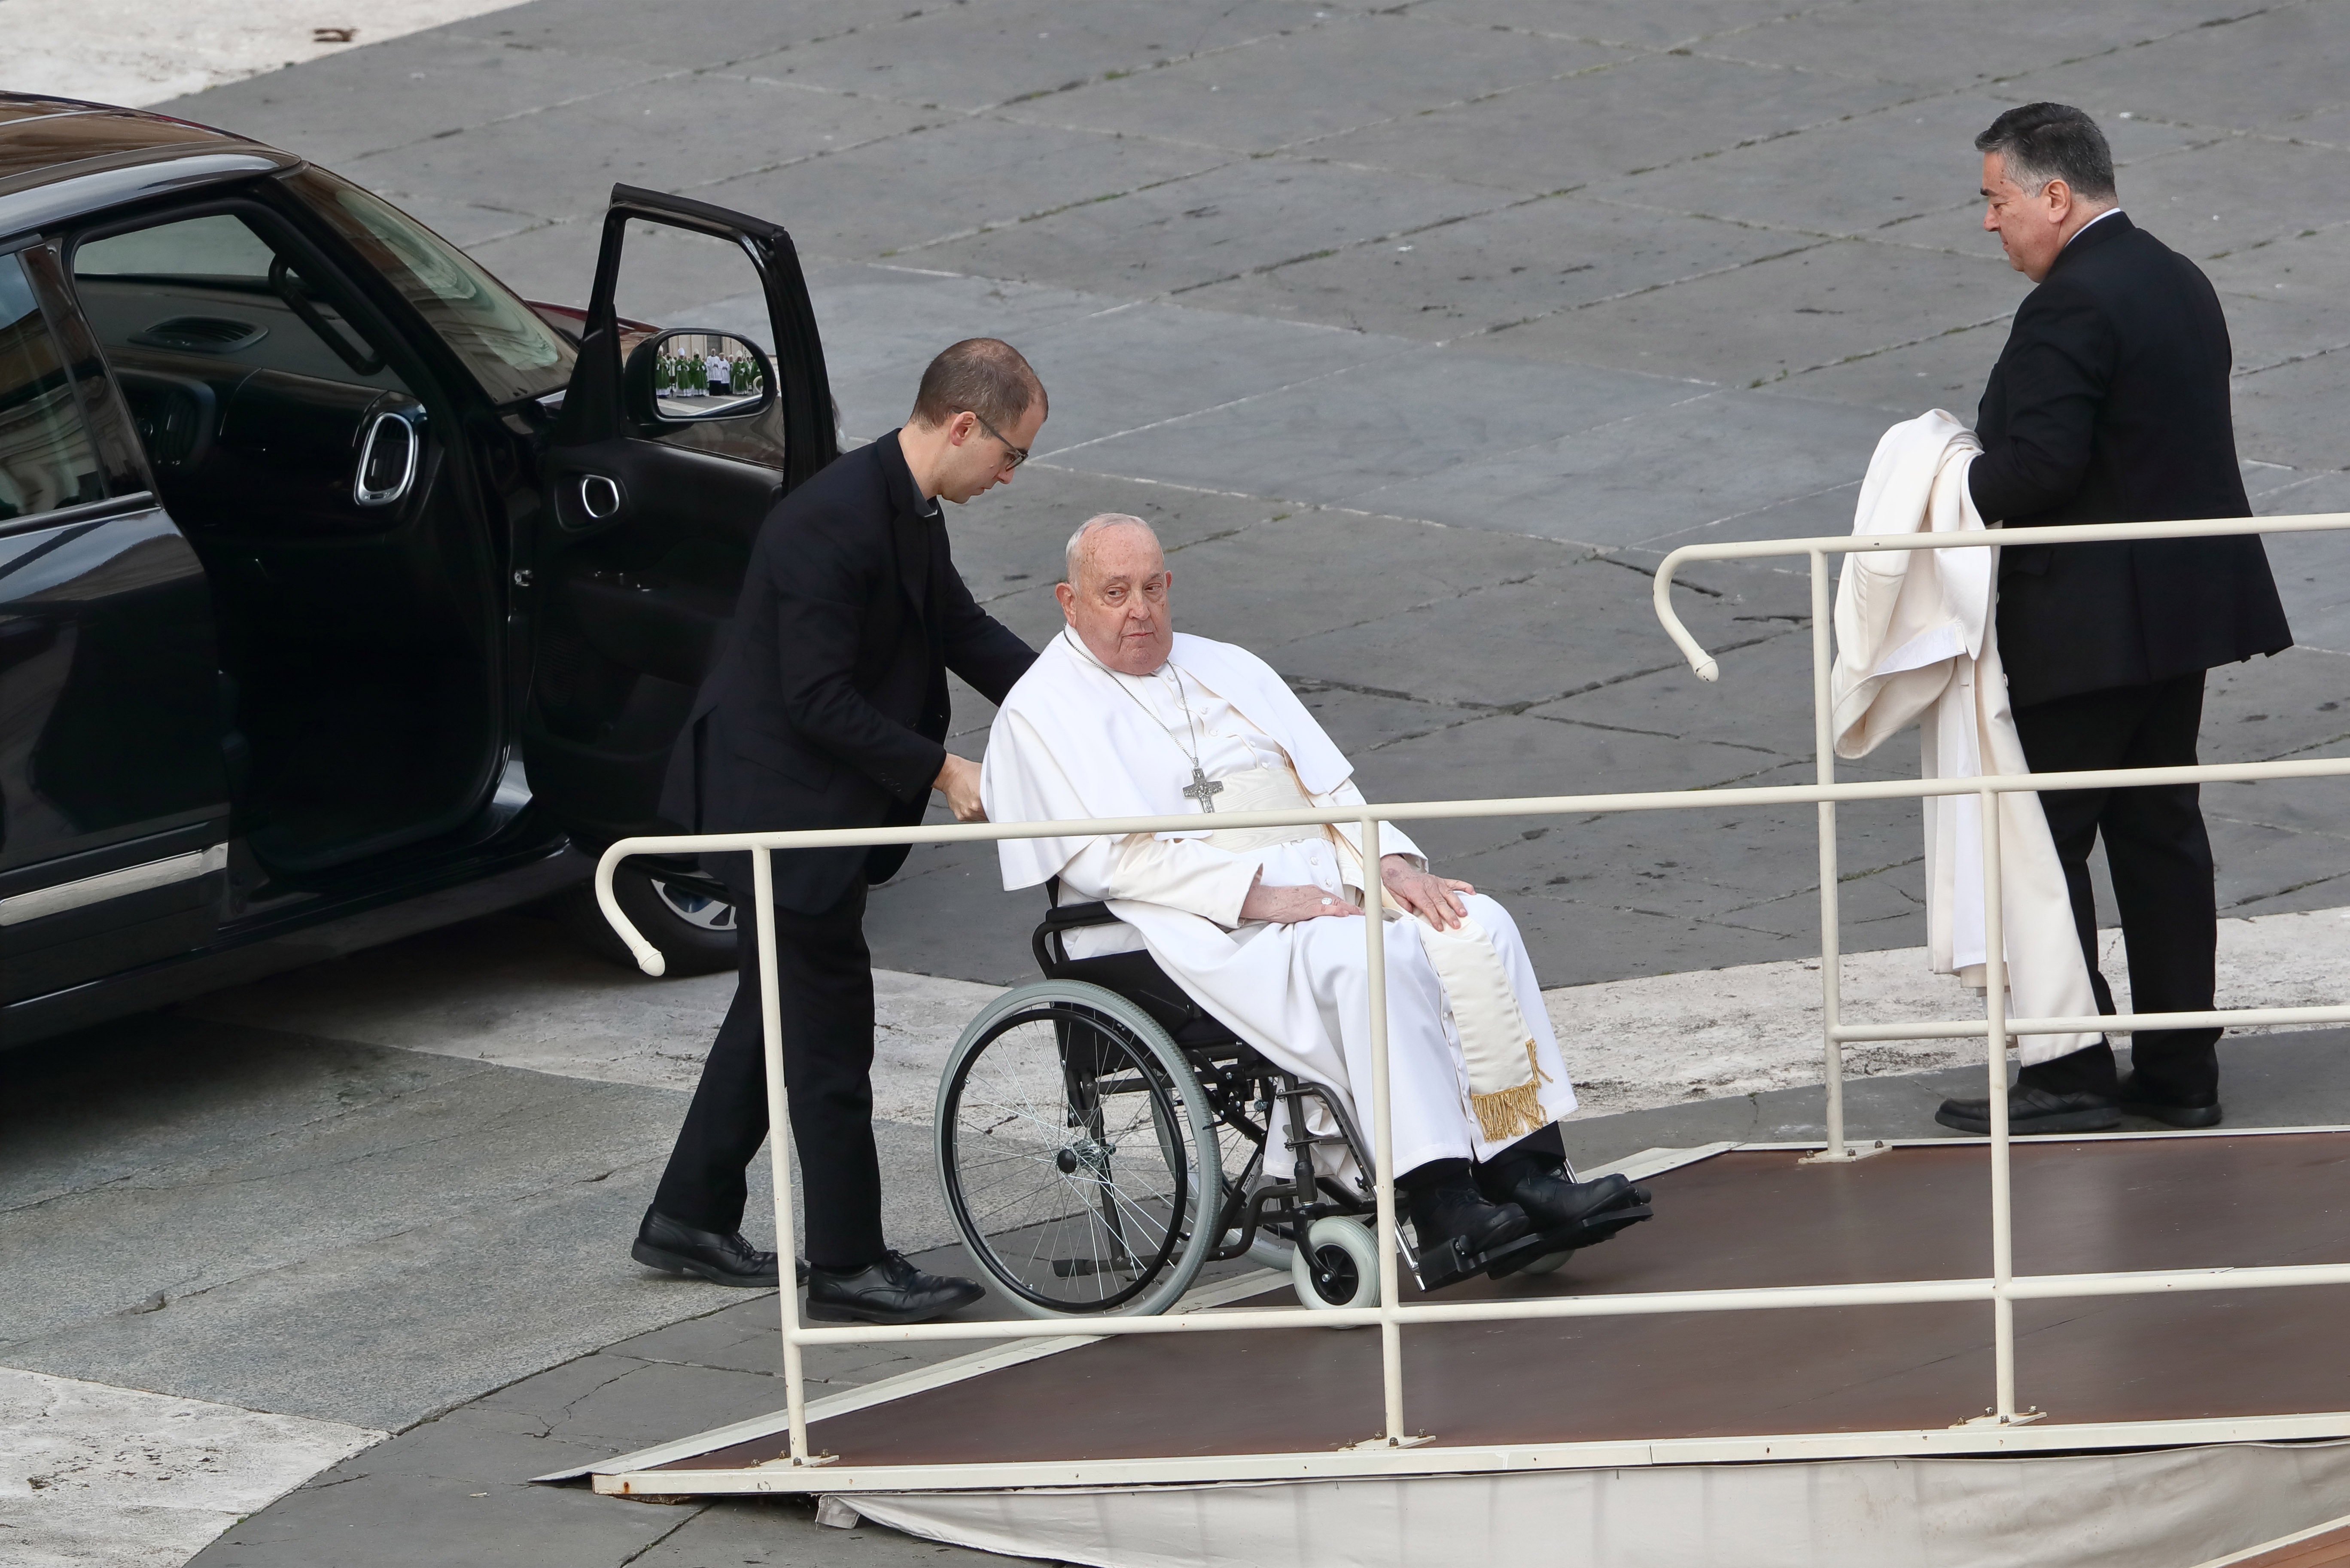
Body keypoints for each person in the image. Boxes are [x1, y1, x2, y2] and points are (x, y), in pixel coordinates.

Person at [980, 514, 1646, 1273]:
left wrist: (1391, 866)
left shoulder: (1229, 666)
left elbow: (1335, 793)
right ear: (1070, 602)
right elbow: (1111, 862)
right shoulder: (1042, 708)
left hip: (1316, 890)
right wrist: (1253, 895)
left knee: (1473, 921)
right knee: (1367, 960)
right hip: (1178, 924)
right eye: (1116, 593)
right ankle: (1439, 1200)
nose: (1142, 610)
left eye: (1154, 588)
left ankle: (1528, 1172)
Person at [637, 339, 1045, 1324]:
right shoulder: (832, 523)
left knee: (770, 1016)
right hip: (783, 811)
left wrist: (1078, 705)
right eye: (1012, 454)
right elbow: (817, 699)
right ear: (962, 426)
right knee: (828, 1043)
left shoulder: (904, 505)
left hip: (811, 803)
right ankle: (850, 1264)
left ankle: (686, 1213)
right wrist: (940, 768)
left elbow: (959, 629)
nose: (1009, 474)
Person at [1933, 104, 2292, 1138]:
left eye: (1997, 201)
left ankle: (2070, 1070)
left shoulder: (2070, 306)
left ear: (2055, 195)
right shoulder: (2177, 275)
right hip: (2179, 619)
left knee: (2042, 850)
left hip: (2087, 630)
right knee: (2159, 835)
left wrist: (1945, 478)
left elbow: (2038, 470)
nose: (1991, 225)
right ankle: (2182, 1071)